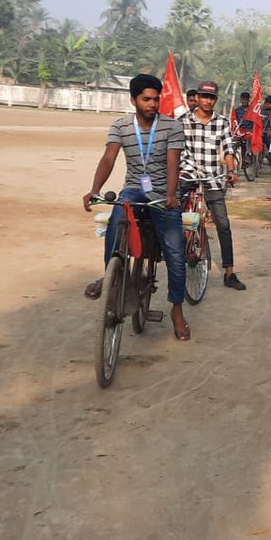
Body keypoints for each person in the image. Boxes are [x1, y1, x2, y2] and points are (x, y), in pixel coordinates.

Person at [82, 73, 192, 340]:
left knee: (176, 254)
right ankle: (112, 277)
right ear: (133, 100)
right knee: (118, 215)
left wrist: (169, 195)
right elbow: (109, 157)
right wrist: (94, 189)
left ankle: (177, 309)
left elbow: (172, 163)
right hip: (134, 188)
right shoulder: (120, 126)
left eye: (156, 99)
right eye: (146, 99)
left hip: (162, 193)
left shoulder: (171, 127)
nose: (152, 104)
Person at [179, 80, 245, 290]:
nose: (207, 101)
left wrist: (231, 170)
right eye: (204, 96)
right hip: (188, 176)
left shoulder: (222, 123)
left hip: (212, 178)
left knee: (223, 225)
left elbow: (227, 149)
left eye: (211, 97)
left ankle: (229, 273)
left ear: (215, 100)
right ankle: (174, 264)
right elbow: (176, 150)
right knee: (173, 218)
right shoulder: (182, 121)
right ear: (196, 98)